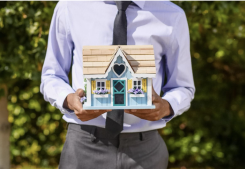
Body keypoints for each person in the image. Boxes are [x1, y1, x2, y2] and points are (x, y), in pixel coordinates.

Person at [40, 1, 195, 169]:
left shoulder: (172, 15)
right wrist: (69, 100)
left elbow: (183, 86)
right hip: (84, 146)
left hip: (146, 152)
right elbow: (51, 75)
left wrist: (166, 106)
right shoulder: (69, 7)